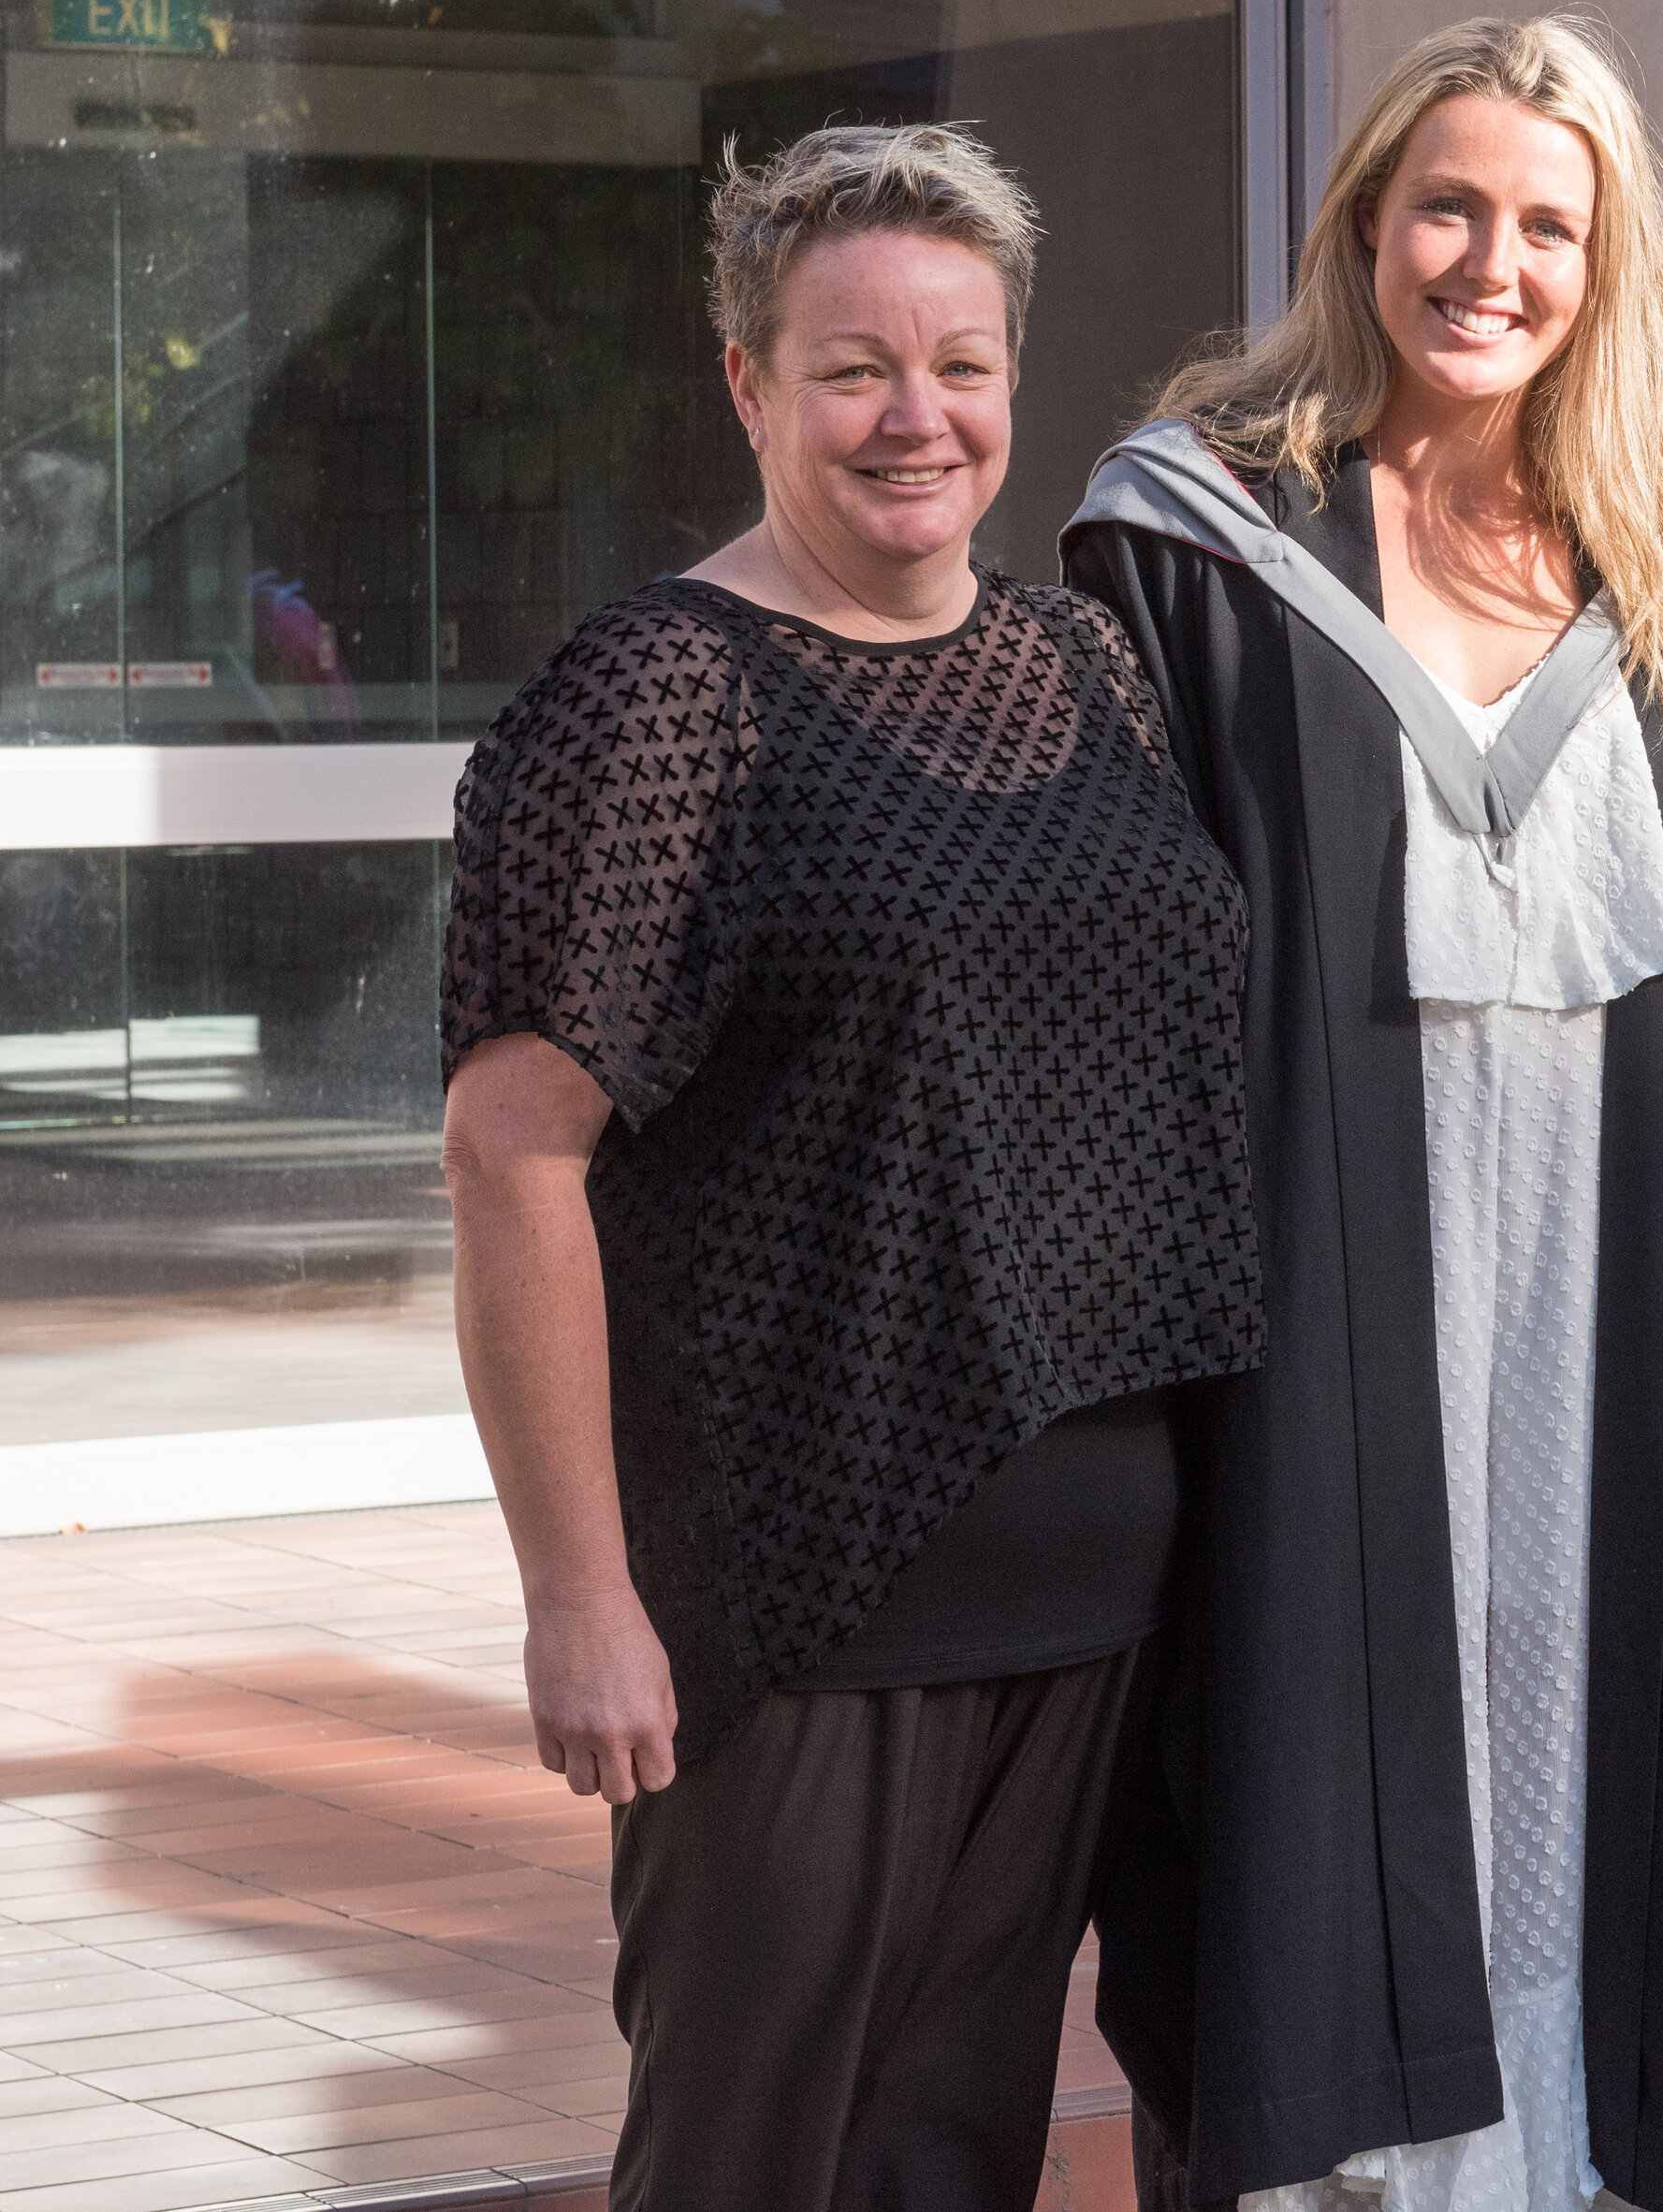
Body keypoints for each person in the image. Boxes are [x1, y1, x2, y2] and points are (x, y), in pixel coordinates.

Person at [1058, 12, 1663, 2212]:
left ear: (1606, 261)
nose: (1491, 263)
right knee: (1347, 1704)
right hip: (1333, 1276)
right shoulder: (1193, 536)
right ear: (1363, 222)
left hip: (1621, 1268)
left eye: (1545, 226)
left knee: (1602, 1711)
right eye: (1449, 208)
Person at [437, 122, 1264, 2210]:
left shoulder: (1086, 661)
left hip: (1099, 1584)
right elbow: (512, 1154)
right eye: (852, 367)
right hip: (802, 1588)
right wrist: (578, 1597)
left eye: (962, 364)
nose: (918, 417)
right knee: (755, 2157)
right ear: (748, 383)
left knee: (956, 2154)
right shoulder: (659, 697)